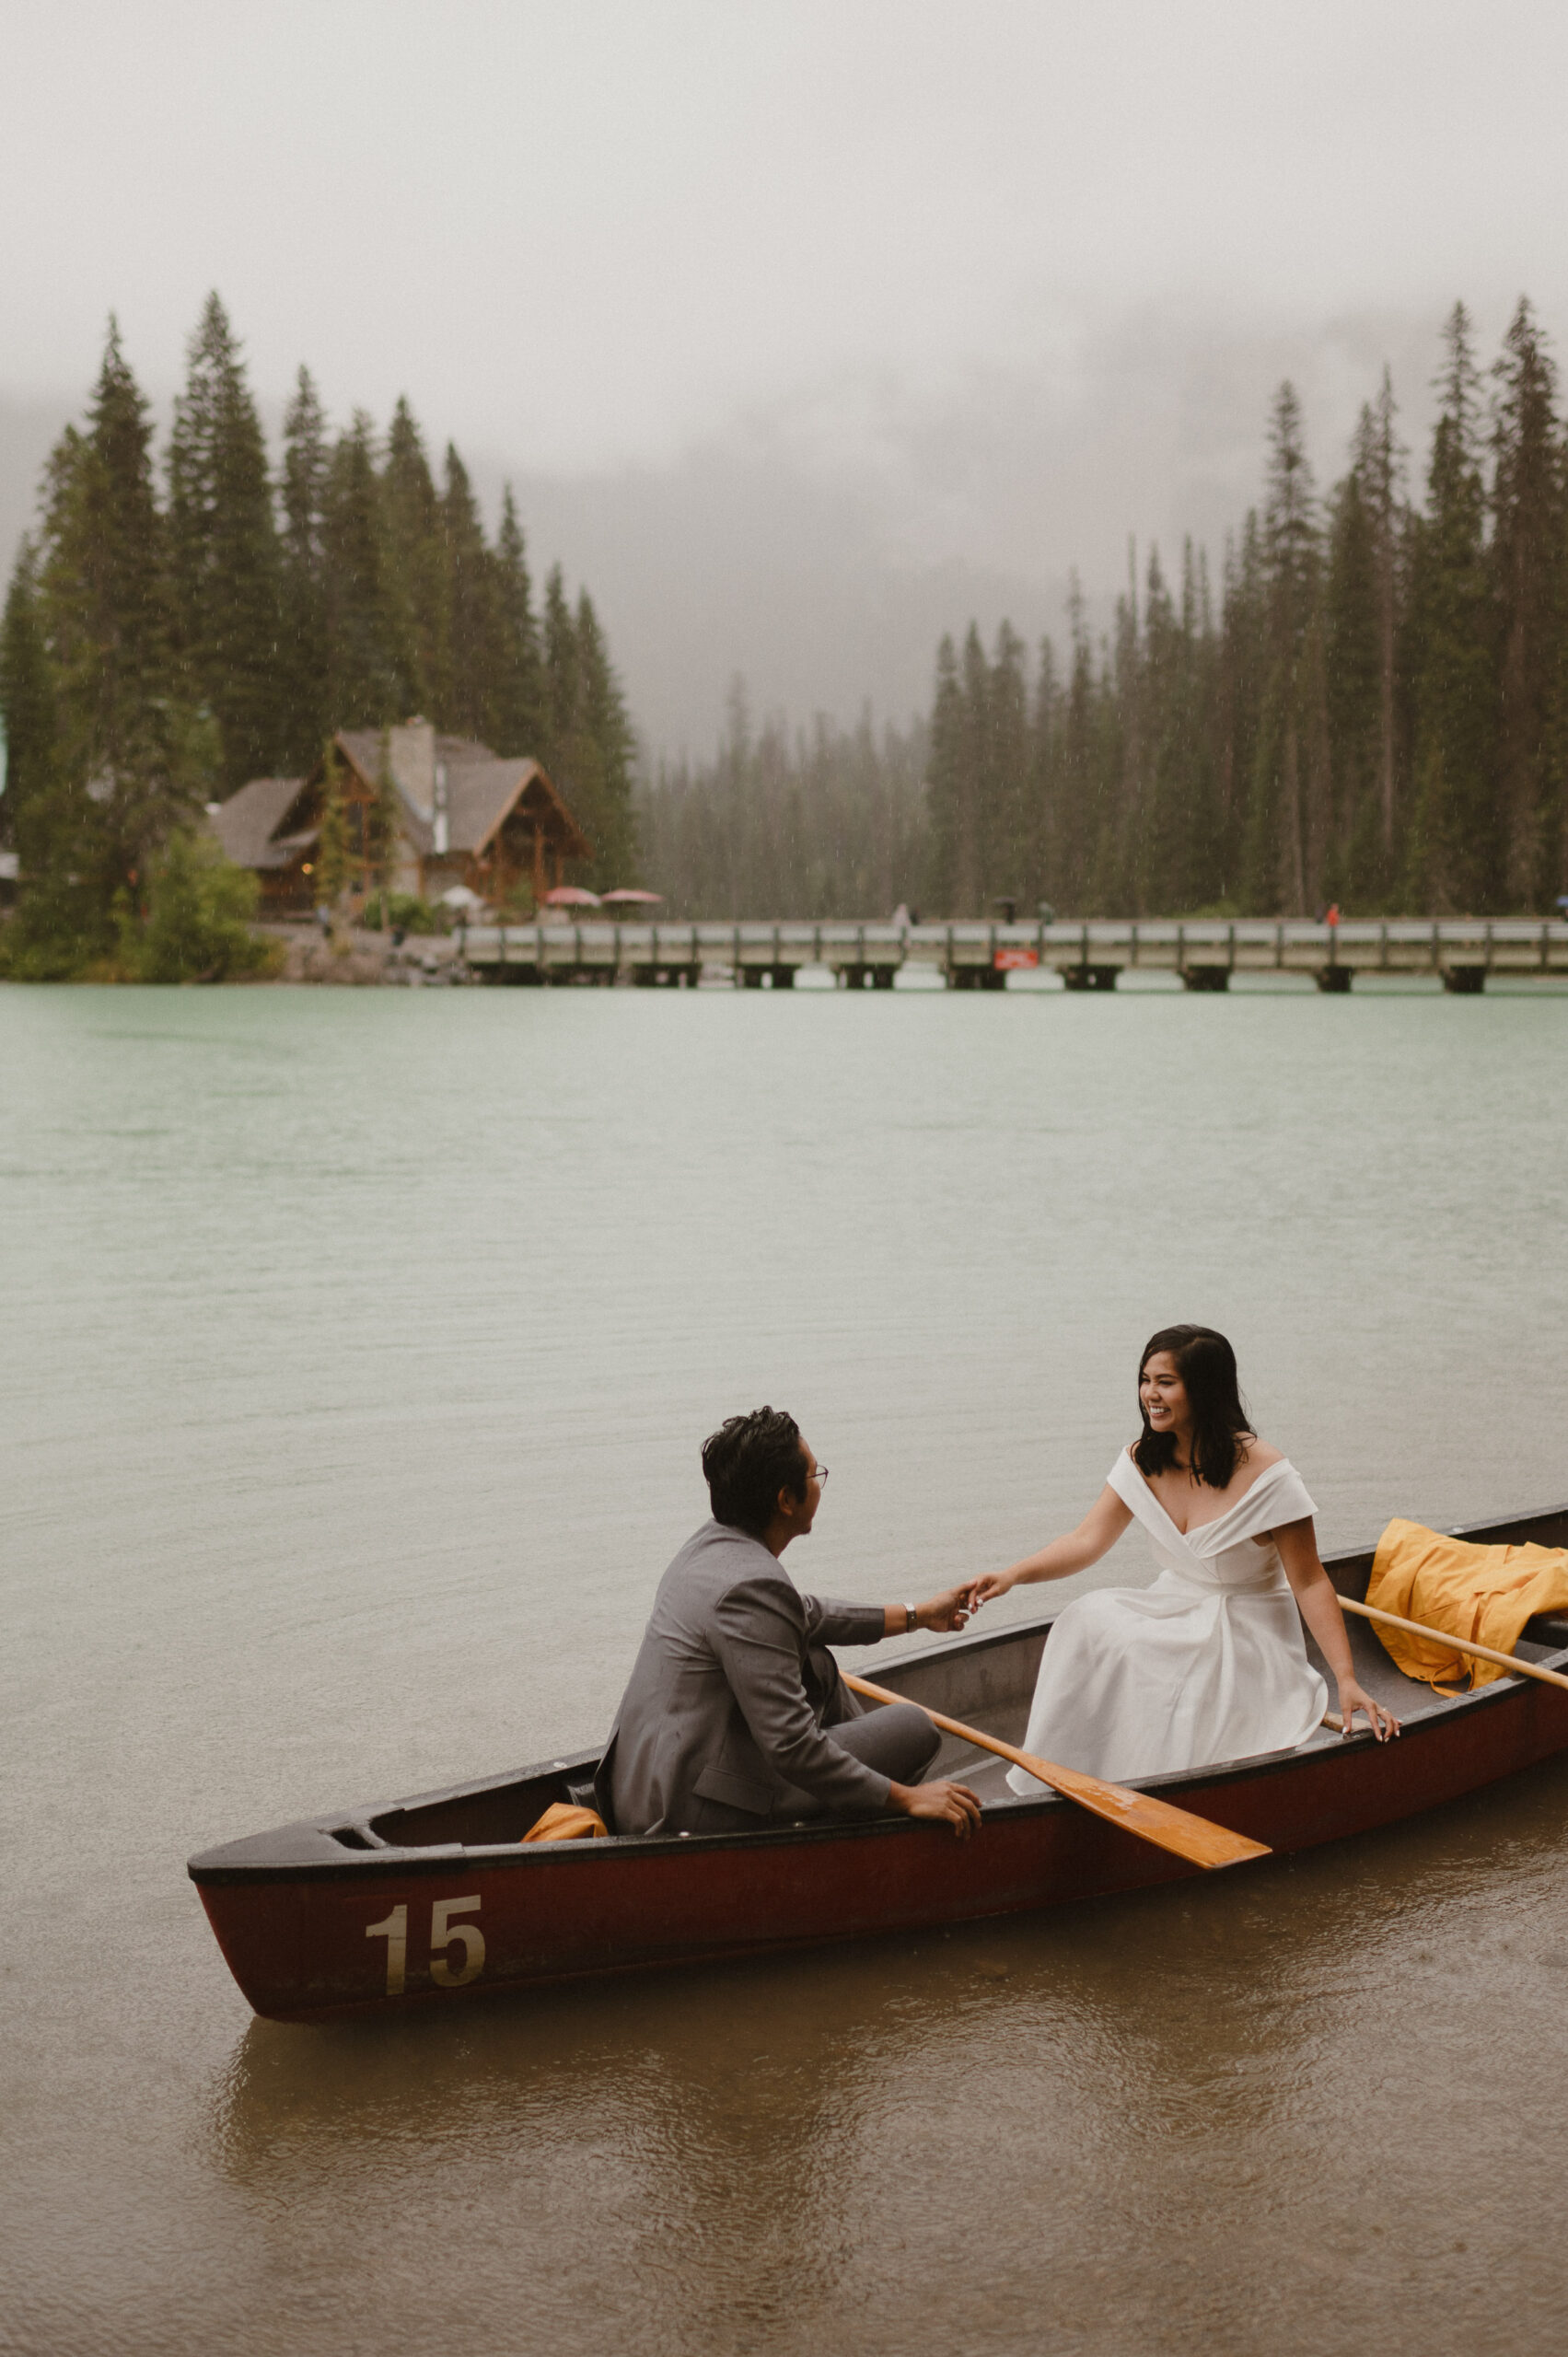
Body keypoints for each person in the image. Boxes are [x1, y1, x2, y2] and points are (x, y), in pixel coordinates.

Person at [968, 1326, 1400, 1789]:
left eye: (1166, 1382)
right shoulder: (1143, 1459)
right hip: (1176, 1602)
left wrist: (1347, 1679)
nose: (1150, 1394)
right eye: (1145, 1379)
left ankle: (1164, 1785)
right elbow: (1085, 1541)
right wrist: (1012, 1575)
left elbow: (1310, 1582)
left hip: (1249, 1626)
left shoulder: (1268, 1475)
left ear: (1204, 1389)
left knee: (1164, 1663)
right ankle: (1082, 1774)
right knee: (1085, 1620)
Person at [595, 1407, 981, 1839]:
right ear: (785, 1500)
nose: (820, 1485)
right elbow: (791, 1747)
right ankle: (861, 1820)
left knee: (816, 1663)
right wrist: (907, 1797)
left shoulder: (707, 1546)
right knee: (915, 1728)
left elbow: (806, 1615)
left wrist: (920, 1615)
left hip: (646, 1783)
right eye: (816, 1476)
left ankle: (848, 1791)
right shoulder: (752, 1586)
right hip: (686, 1810)